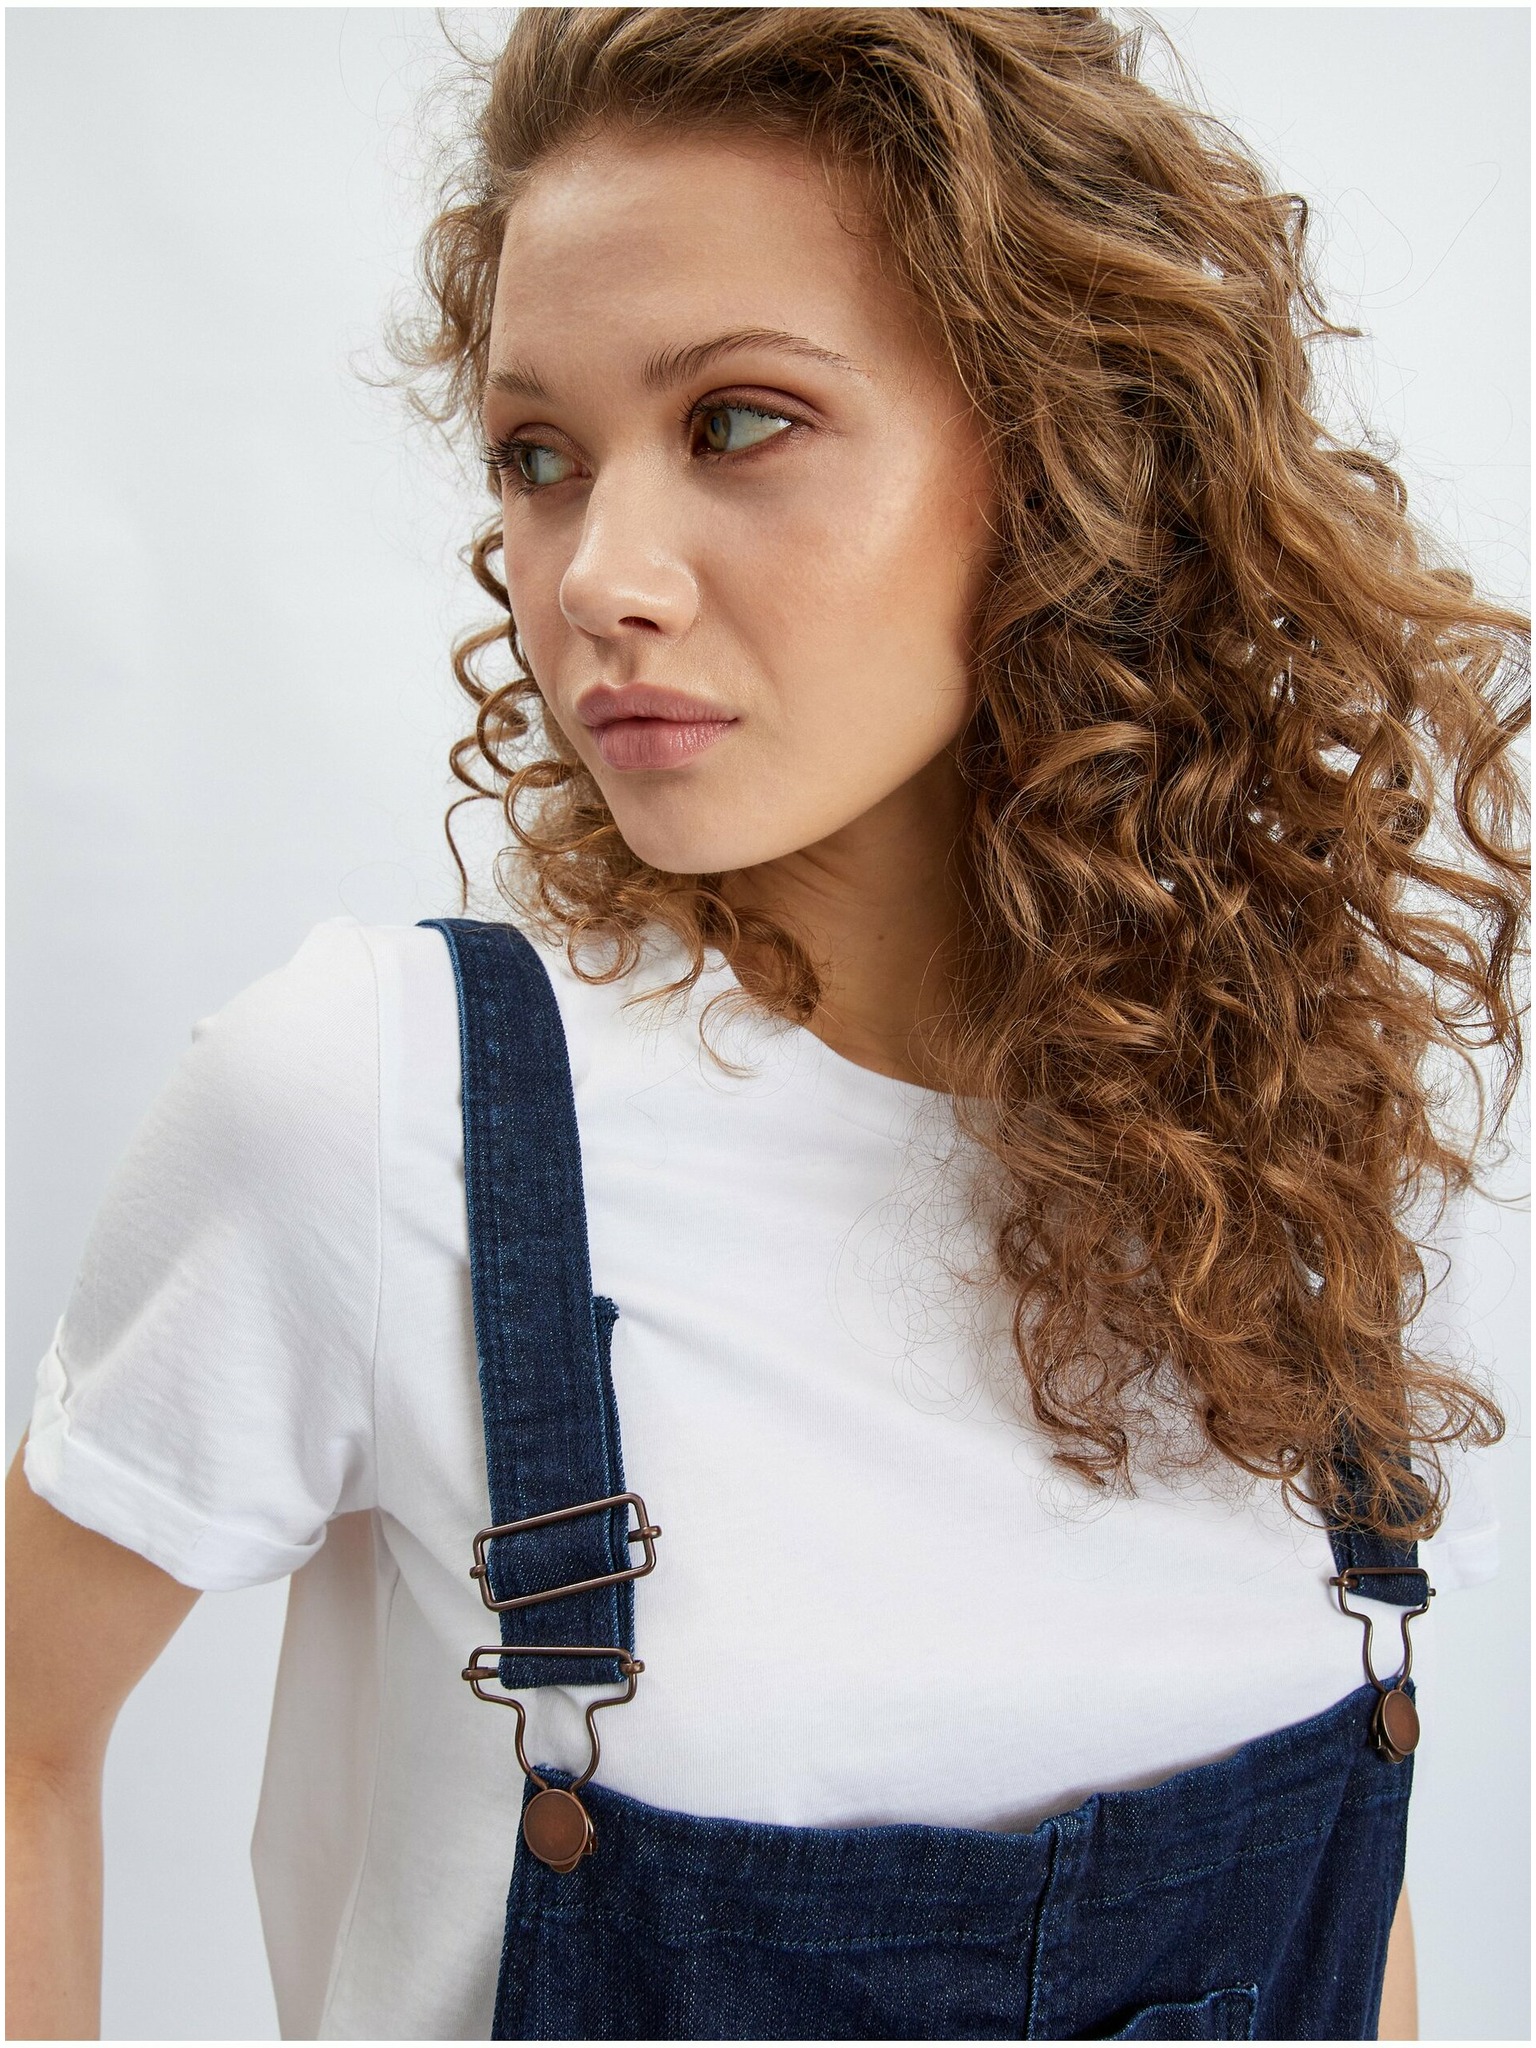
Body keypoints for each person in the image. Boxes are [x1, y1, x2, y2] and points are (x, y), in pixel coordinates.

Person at [7, 8, 1526, 2040]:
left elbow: (1355, 1910)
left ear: (1067, 459)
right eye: (540, 460)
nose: (595, 578)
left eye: (737, 422)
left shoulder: (1292, 1122)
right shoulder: (384, 1107)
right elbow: (20, 1744)